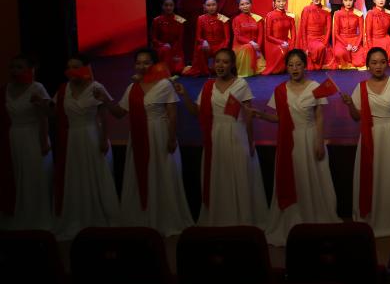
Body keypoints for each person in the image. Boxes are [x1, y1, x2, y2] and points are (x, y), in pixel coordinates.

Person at [95, 49, 193, 236]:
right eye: (138, 63)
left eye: (146, 62)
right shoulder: (132, 88)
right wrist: (106, 100)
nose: (142, 66)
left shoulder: (164, 84)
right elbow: (119, 113)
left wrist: (172, 139)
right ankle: (143, 218)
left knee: (162, 174)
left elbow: (172, 115)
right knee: (143, 174)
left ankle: (163, 219)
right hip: (138, 136)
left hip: (159, 135)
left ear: (154, 64)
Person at [253, 50, 339, 246]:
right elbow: (279, 118)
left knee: (313, 178)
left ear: (304, 66)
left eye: (298, 64)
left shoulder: (315, 87)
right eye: (291, 65)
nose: (294, 68)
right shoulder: (280, 90)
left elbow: (319, 117)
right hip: (289, 142)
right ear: (286, 67)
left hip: (310, 138)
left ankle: (314, 217)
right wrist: (261, 115)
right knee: (296, 178)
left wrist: (319, 141)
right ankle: (294, 220)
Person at [174, 49, 267, 227]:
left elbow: (248, 115)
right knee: (220, 178)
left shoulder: (241, 85)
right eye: (217, 61)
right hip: (215, 137)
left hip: (237, 135)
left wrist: (250, 141)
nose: (220, 65)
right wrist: (184, 94)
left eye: (225, 62)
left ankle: (241, 221)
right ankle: (221, 221)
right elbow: (197, 112)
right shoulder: (208, 86)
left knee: (238, 176)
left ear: (232, 65)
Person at [340, 47, 390, 236]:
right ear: (368, 65)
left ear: (387, 64)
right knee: (374, 175)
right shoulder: (361, 87)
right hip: (371, 136)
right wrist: (350, 105)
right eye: (374, 62)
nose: (378, 66)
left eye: (382, 62)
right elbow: (357, 117)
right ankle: (374, 216)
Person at [52, 58, 117, 239]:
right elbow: (54, 112)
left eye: (76, 67)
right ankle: (77, 217)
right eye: (69, 67)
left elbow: (104, 116)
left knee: (95, 174)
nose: (71, 70)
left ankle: (98, 216)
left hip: (92, 135)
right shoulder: (64, 89)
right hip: (73, 138)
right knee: (76, 175)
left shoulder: (96, 87)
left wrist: (103, 139)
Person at [0, 55, 53, 231]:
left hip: (33, 134)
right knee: (18, 175)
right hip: (15, 136)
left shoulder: (37, 87)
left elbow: (47, 115)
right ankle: (21, 215)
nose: (15, 70)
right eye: (12, 67)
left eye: (19, 67)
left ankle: (38, 218)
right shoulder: (7, 88)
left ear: (29, 69)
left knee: (35, 176)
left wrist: (43, 141)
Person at [188, 0, 231, 76]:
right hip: (207, 46)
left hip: (219, 45)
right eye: (208, 5)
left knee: (218, 68)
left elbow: (227, 39)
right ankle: (204, 70)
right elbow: (198, 37)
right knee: (200, 48)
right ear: (204, 6)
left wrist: (223, 47)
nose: (211, 7)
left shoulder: (223, 18)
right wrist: (203, 41)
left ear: (217, 5)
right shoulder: (200, 18)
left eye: (213, 5)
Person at [297, 0, 333, 71]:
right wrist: (305, 47)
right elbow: (303, 28)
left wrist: (325, 42)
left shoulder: (326, 10)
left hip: (322, 38)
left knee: (330, 53)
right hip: (310, 38)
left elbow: (329, 28)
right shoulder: (306, 9)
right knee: (319, 48)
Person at [151, 0, 187, 74]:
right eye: (166, 5)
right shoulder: (156, 20)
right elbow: (154, 39)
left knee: (178, 70)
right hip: (162, 49)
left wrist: (174, 51)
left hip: (176, 49)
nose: (168, 7)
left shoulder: (180, 20)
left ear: (174, 6)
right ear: (162, 6)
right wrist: (163, 45)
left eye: (171, 5)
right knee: (166, 51)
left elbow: (180, 40)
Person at [263, 0, 296, 75]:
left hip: (286, 42)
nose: (281, 3)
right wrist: (281, 42)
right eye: (278, 1)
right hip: (273, 43)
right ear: (274, 3)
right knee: (283, 49)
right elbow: (268, 36)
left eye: (283, 1)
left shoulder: (290, 16)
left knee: (295, 51)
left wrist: (292, 46)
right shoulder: (270, 16)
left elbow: (294, 35)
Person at [331, 0, 367, 69]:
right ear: (342, 1)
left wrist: (356, 45)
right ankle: (347, 58)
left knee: (360, 62)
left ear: (354, 0)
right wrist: (346, 45)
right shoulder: (337, 14)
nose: (348, 2)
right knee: (339, 54)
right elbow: (336, 33)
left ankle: (353, 57)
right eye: (346, 0)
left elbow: (361, 32)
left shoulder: (359, 14)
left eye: (350, 0)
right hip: (342, 40)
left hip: (355, 40)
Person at [232, 0, 265, 77]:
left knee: (264, 70)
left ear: (251, 4)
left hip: (255, 47)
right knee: (248, 47)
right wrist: (251, 43)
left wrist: (258, 48)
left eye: (247, 3)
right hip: (241, 47)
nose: (245, 6)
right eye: (242, 4)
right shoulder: (236, 19)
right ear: (239, 7)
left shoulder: (257, 18)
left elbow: (260, 35)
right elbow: (238, 37)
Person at [364, 0, 390, 64]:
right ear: (374, 1)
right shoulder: (370, 13)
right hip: (373, 41)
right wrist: (371, 49)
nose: (381, 0)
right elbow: (368, 33)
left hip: (386, 41)